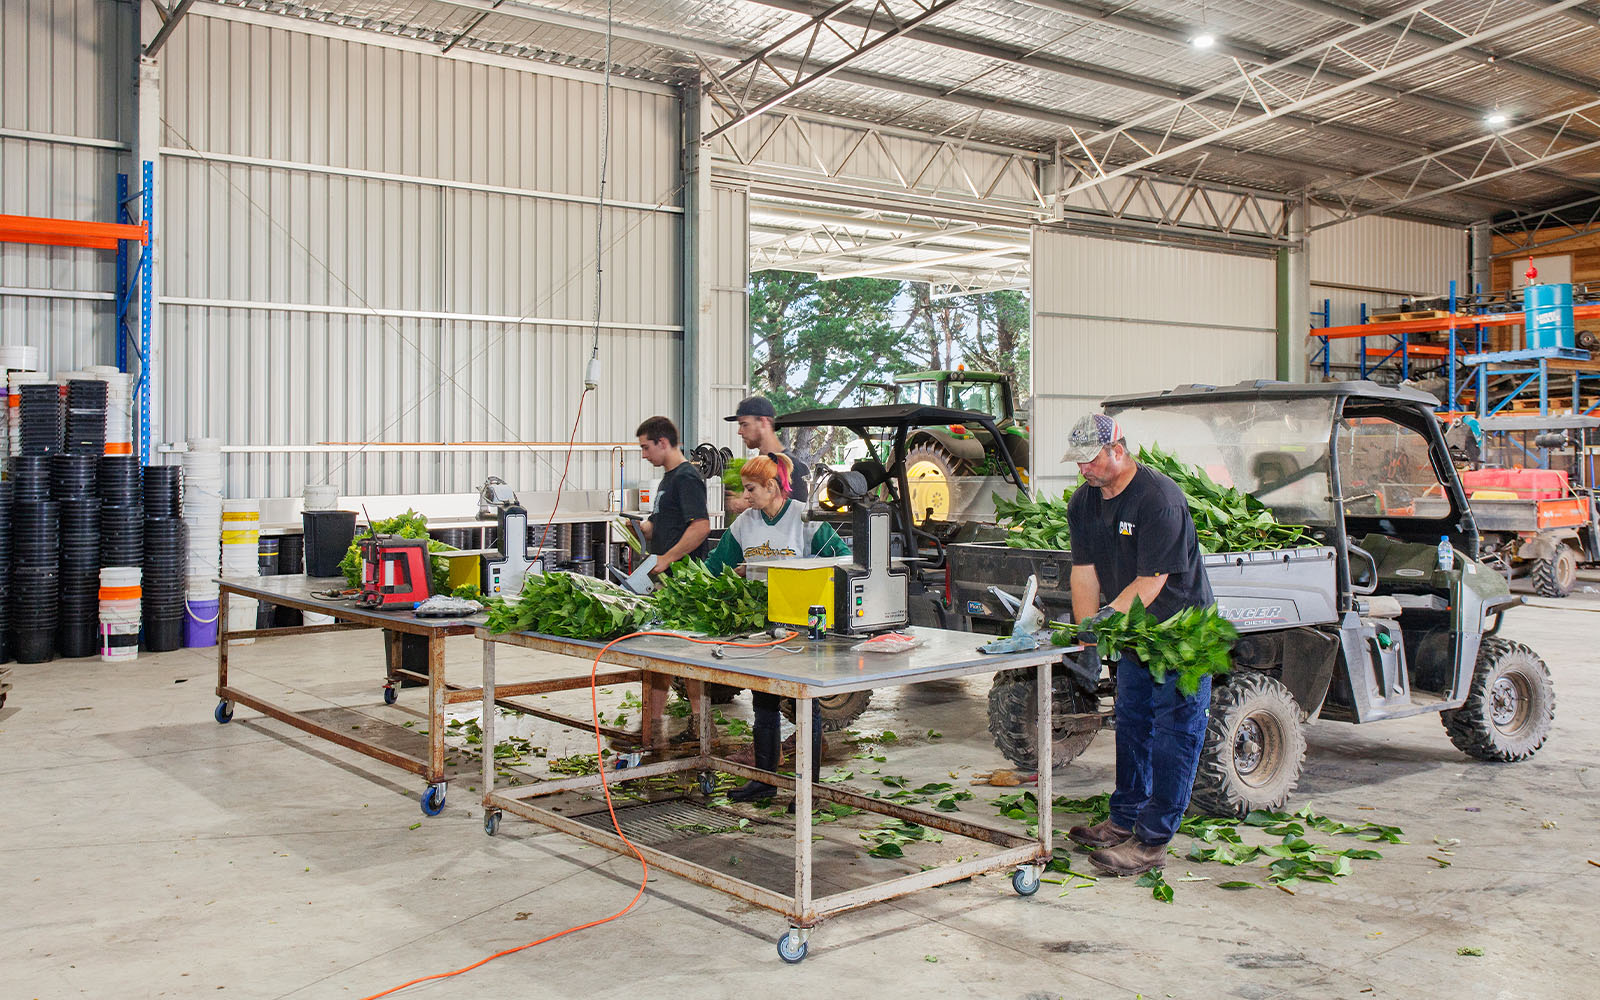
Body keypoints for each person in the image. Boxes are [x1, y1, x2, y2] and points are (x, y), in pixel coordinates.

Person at [1058, 412, 1216, 878]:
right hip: (1137, 632)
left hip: (1182, 631)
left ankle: (1152, 841)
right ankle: (1125, 817)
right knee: (1131, 722)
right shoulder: (1083, 503)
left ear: (1118, 450)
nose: (1082, 470)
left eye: (1089, 461)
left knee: (1175, 731)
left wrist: (1106, 621)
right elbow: (1084, 570)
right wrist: (1087, 631)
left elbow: (1152, 582)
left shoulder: (1159, 499)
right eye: (1078, 463)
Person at [704, 453, 849, 803]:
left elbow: (843, 560)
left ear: (772, 486)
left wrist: (806, 574)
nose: (746, 495)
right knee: (763, 701)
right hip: (763, 626)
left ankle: (808, 789)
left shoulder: (805, 518)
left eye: (751, 488)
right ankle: (765, 781)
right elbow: (713, 569)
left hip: (804, 627)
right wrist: (733, 574)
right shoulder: (745, 524)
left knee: (805, 704)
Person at [635, 415, 709, 575]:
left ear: (662, 443)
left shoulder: (686, 477)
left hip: (685, 578)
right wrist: (639, 529)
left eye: (646, 447)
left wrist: (667, 559)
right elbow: (657, 528)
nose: (644, 455)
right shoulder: (668, 479)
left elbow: (700, 527)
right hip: (668, 578)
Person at [725, 396, 810, 517]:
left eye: (745, 425)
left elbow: (795, 517)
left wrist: (748, 505)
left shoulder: (791, 466)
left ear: (764, 422)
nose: (740, 431)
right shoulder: (757, 465)